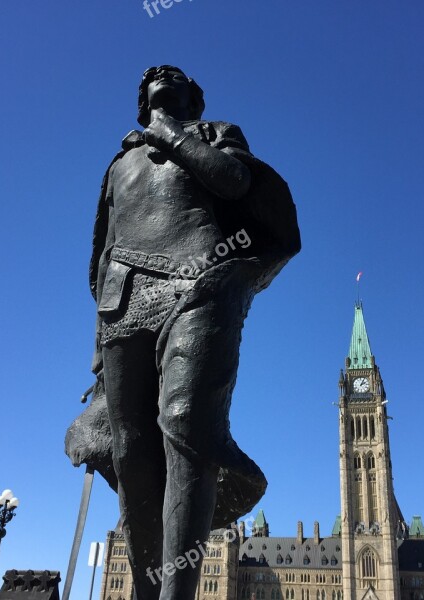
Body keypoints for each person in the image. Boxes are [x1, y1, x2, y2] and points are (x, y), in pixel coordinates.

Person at [69, 65, 300, 600]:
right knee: (131, 451)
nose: (160, 72)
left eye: (175, 75)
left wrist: (169, 133)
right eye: (151, 75)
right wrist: (97, 355)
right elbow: (101, 253)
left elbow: (236, 182)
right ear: (138, 101)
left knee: (187, 427)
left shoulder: (214, 134)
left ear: (195, 100)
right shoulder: (119, 163)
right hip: (122, 297)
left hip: (199, 279)